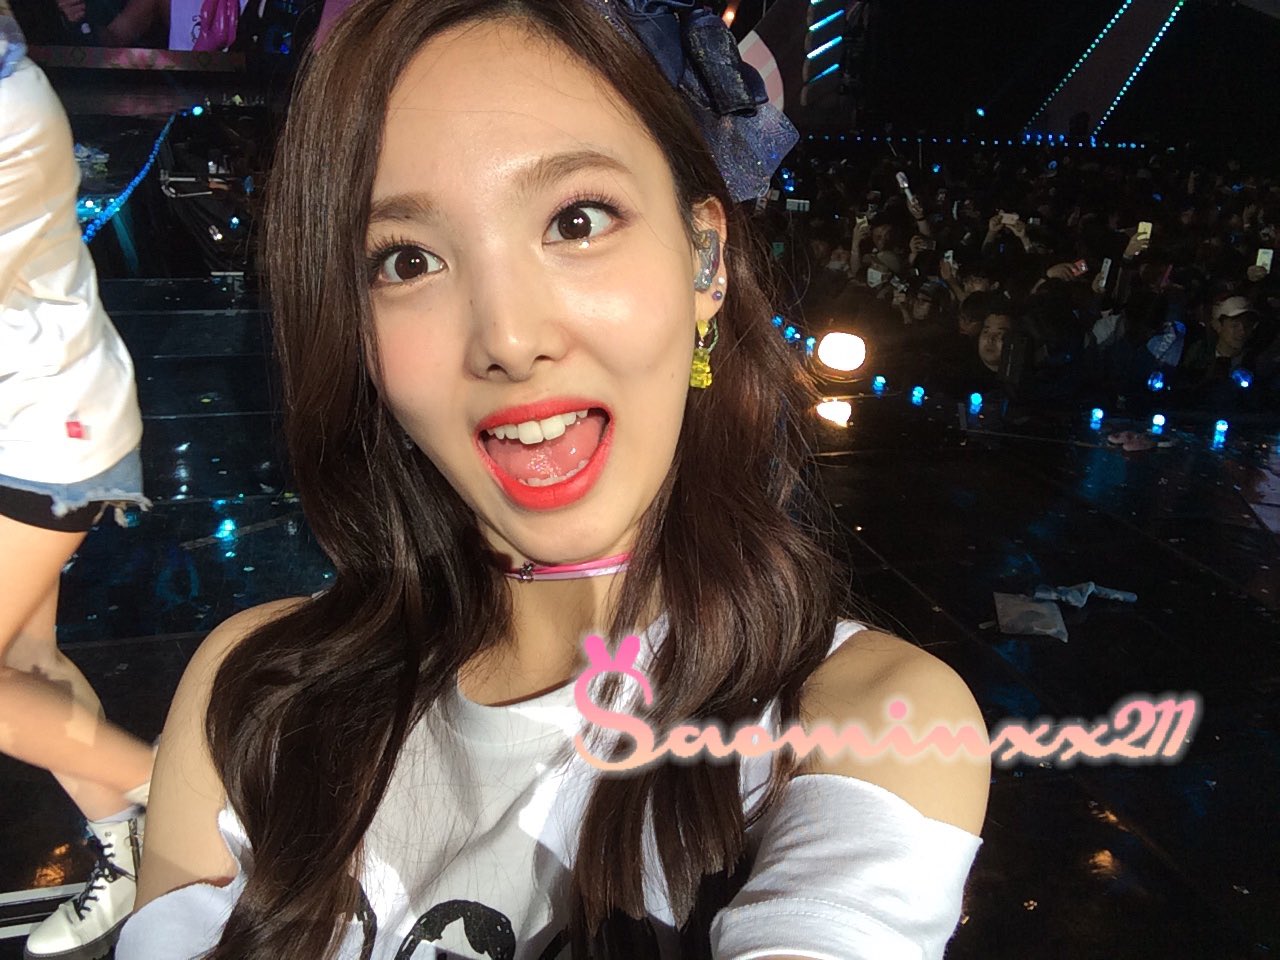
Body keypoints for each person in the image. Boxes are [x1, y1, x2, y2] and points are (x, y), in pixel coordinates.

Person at [118, 2, 990, 958]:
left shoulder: (861, 721)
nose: (508, 337)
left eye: (577, 220)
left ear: (705, 259)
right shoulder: (257, 696)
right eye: (408, 260)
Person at [0, 8, 154, 959]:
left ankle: (205, 809)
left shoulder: (7, 111)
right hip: (27, 416)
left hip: (48, 432)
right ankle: (127, 850)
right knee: (26, 670)